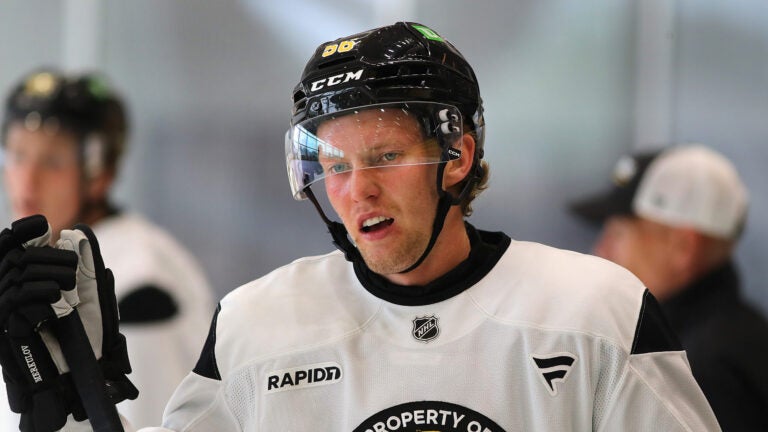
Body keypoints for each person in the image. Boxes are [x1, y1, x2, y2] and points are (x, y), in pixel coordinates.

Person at [0, 23, 720, 431]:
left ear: (457, 156)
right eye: (335, 165)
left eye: (385, 157)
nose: (356, 189)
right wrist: (78, 408)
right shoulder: (257, 325)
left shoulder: (597, 314)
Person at [0, 69, 215, 429]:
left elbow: (148, 420)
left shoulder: (142, 276)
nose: (27, 179)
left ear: (98, 174)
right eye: (18, 155)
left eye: (52, 162)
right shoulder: (28, 263)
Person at [569, 144, 768, 430]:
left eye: (619, 233)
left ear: (682, 248)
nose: (601, 250)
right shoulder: (733, 339)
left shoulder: (695, 372)